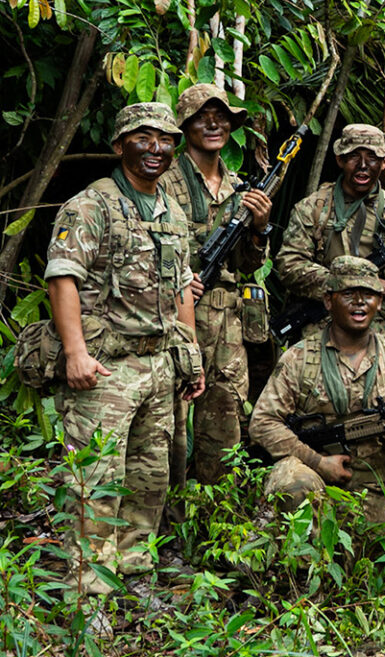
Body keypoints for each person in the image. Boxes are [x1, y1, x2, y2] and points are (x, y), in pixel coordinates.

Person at [43, 103, 206, 602]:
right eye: (144, 137)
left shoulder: (171, 212)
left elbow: (181, 287)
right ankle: (87, 591)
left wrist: (190, 353)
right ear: (119, 145)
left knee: (148, 479)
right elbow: (63, 276)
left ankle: (134, 576)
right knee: (95, 481)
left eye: (166, 140)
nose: (157, 148)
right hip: (105, 367)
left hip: (158, 365)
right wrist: (74, 354)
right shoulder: (92, 205)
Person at [249, 256, 385, 521]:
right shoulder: (300, 357)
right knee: (295, 484)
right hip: (314, 478)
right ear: (329, 301)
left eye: (368, 294)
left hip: (374, 486)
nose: (359, 302)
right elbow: (263, 423)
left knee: (367, 555)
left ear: (379, 302)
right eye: (348, 293)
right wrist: (317, 462)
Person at [160, 84, 272, 484]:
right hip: (176, 314)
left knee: (225, 422)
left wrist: (258, 229)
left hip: (227, 323)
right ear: (185, 125)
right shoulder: (164, 181)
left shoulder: (240, 186)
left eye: (222, 117)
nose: (213, 124)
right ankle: (166, 514)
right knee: (169, 422)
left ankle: (216, 520)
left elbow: (245, 262)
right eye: (203, 117)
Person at [278, 123, 385, 346]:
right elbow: (289, 264)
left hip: (379, 330)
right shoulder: (313, 208)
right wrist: (340, 284)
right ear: (340, 159)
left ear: (384, 162)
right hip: (320, 326)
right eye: (354, 156)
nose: (363, 166)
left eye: (373, 157)